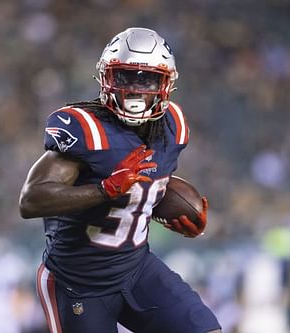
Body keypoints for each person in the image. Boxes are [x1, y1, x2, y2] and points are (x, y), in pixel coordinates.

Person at [19, 27, 222, 333]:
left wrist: (173, 212)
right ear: (106, 78)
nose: (136, 89)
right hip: (77, 282)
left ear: (166, 83)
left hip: (136, 268)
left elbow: (149, 183)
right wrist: (104, 189)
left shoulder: (174, 126)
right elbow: (31, 199)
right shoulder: (85, 128)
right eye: (126, 76)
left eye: (148, 78)